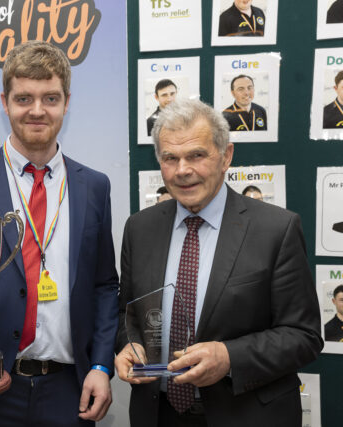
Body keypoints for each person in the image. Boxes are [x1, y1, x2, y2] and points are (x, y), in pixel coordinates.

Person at [0, 40, 119, 427]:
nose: (36, 110)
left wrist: (101, 364)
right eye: (24, 98)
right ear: (5, 101)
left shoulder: (94, 186)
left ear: (66, 102)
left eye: (50, 98)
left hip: (68, 391)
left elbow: (104, 286)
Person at [115, 99, 322, 427]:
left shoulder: (276, 229)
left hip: (246, 414)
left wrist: (229, 358)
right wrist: (130, 344)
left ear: (226, 156)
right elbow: (126, 314)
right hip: (158, 414)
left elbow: (304, 336)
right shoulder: (139, 228)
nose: (183, 170)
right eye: (170, 158)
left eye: (196, 155)